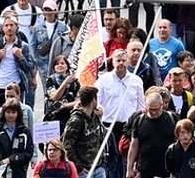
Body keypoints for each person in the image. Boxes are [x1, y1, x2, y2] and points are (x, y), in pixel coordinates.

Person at [95, 50, 146, 178]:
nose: (121, 63)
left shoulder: (136, 80)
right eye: (118, 60)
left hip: (129, 126)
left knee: (127, 159)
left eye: (124, 60)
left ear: (128, 61)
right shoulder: (103, 80)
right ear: (113, 62)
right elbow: (97, 102)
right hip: (109, 126)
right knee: (111, 159)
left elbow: (141, 105)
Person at [0, 16, 35, 104]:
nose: (9, 28)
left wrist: (21, 57)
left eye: (11, 25)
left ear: (17, 27)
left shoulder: (24, 46)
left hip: (16, 85)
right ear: (2, 28)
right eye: (6, 25)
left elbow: (30, 67)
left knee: (16, 113)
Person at [126, 92, 178, 178]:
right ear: (146, 106)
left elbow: (178, 143)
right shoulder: (139, 120)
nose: (153, 113)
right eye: (150, 109)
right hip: (145, 169)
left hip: (167, 169)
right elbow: (134, 145)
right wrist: (129, 169)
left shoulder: (172, 118)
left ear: (162, 105)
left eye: (156, 109)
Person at [63, 86, 106, 178]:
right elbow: (67, 147)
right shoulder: (76, 120)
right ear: (94, 100)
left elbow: (100, 138)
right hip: (83, 171)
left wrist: (103, 162)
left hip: (98, 168)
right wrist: (79, 168)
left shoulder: (95, 117)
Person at [0, 99, 34, 178]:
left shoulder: (24, 132)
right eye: (8, 112)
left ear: (18, 113)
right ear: (3, 113)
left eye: (13, 112)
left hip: (18, 173)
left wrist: (11, 159)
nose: (10, 115)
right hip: (0, 173)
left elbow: (28, 153)